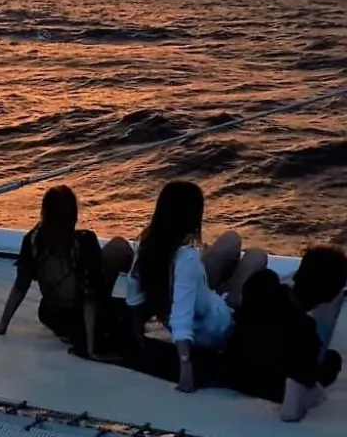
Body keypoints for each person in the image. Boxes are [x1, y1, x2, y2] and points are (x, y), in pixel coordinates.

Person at [125, 180, 267, 393]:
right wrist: (186, 369)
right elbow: (182, 318)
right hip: (215, 325)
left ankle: (221, 286)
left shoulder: (148, 244)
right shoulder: (187, 259)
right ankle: (229, 291)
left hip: (197, 294)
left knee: (232, 239)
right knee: (257, 256)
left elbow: (133, 293)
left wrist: (137, 335)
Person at [0, 185, 133, 360]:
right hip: (78, 317)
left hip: (51, 315)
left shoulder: (33, 241)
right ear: (73, 216)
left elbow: (21, 286)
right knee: (119, 248)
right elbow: (89, 298)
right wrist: (92, 348)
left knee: (110, 259)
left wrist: (2, 325)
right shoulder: (83, 242)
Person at [223, 253, 345, 423]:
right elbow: (290, 412)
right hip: (269, 386)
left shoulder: (262, 285)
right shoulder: (305, 332)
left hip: (233, 369)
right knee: (332, 360)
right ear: (329, 296)